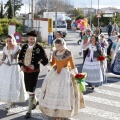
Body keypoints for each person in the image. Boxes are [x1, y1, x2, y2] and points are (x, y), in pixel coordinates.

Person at [39, 38, 85, 120]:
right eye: (56, 46)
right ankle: (55, 112)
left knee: (64, 94)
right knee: (53, 91)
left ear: (63, 45)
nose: (57, 48)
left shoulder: (68, 53)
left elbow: (72, 65)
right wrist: (43, 62)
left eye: (59, 46)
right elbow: (52, 64)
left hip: (65, 74)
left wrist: (76, 75)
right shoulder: (54, 52)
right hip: (55, 73)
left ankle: (62, 114)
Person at [18, 31, 48, 119]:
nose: (32, 40)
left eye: (33, 39)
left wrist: (35, 65)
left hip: (35, 71)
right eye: (30, 39)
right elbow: (20, 58)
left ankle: (29, 111)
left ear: (35, 39)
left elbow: (45, 60)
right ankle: (35, 101)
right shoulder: (24, 47)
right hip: (25, 71)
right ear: (28, 39)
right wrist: (21, 66)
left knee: (31, 89)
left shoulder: (39, 47)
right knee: (28, 89)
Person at [0, 35, 27, 110]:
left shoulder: (18, 48)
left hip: (15, 67)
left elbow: (22, 58)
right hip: (7, 67)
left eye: (10, 41)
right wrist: (0, 63)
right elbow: (3, 58)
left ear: (13, 41)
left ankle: (12, 100)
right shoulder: (5, 48)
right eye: (7, 41)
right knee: (7, 83)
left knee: (14, 84)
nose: (8, 42)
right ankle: (9, 102)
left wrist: (23, 66)